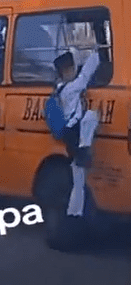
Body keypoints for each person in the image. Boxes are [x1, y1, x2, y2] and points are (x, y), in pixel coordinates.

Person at [53, 48, 100, 218]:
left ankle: (74, 212)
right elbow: (85, 76)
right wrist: (97, 54)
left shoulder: (59, 90)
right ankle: (83, 150)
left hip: (69, 135)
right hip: (75, 134)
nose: (75, 71)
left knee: (78, 179)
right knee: (91, 116)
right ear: (66, 71)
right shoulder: (71, 89)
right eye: (72, 69)